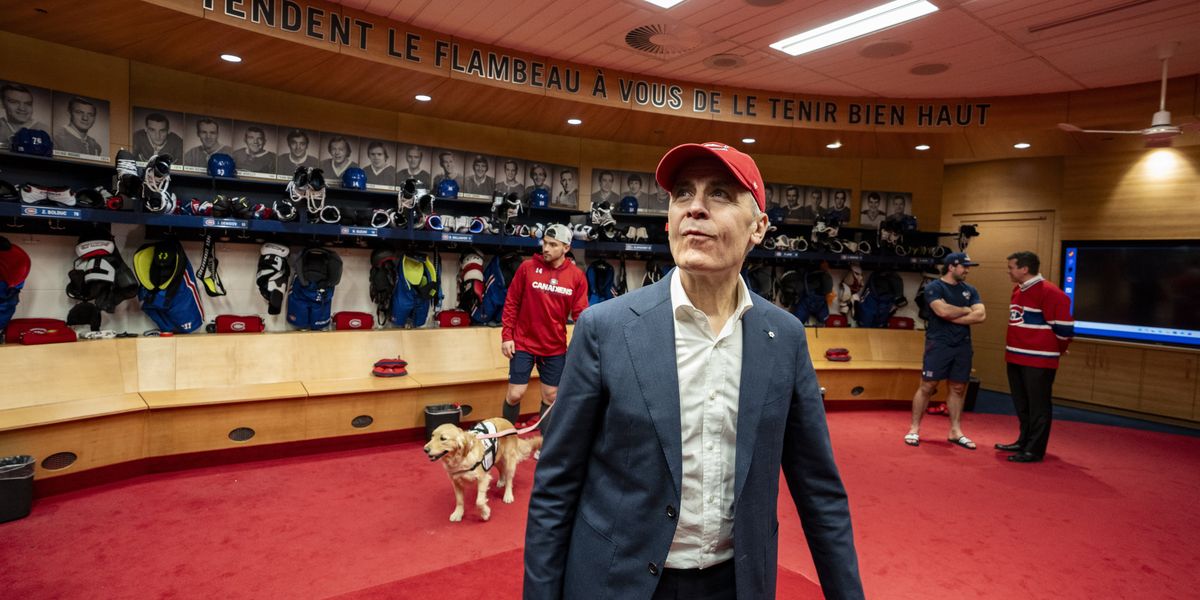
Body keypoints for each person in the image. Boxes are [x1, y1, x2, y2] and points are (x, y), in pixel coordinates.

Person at [525, 142, 863, 600]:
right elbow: (556, 484)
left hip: (736, 584)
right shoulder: (605, 329)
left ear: (758, 227)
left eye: (720, 194)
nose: (695, 209)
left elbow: (819, 490)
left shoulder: (784, 337)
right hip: (616, 583)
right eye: (683, 194)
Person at [500, 224, 589, 434]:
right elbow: (511, 302)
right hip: (523, 343)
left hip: (554, 347)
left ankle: (545, 445)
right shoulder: (527, 268)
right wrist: (507, 336)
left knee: (550, 396)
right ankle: (505, 438)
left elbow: (581, 315)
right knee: (515, 394)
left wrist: (585, 345)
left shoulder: (576, 277)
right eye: (545, 243)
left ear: (566, 248)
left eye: (553, 245)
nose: (546, 248)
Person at [905, 252, 986, 450]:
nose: (967, 270)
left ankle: (955, 431)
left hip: (962, 344)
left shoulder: (970, 289)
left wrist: (955, 315)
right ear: (951, 267)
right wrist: (967, 310)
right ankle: (914, 429)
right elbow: (942, 311)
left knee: (958, 388)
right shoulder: (934, 287)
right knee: (928, 386)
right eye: (964, 266)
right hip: (939, 343)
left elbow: (981, 315)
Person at [999, 251, 1074, 463]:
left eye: (1011, 267)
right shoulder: (1018, 290)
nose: (1008, 271)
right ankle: (1023, 441)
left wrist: (1058, 348)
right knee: (1022, 403)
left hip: (1039, 360)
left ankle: (1034, 449)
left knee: (1038, 405)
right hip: (1015, 357)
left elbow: (1065, 329)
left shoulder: (1050, 292)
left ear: (1024, 269)